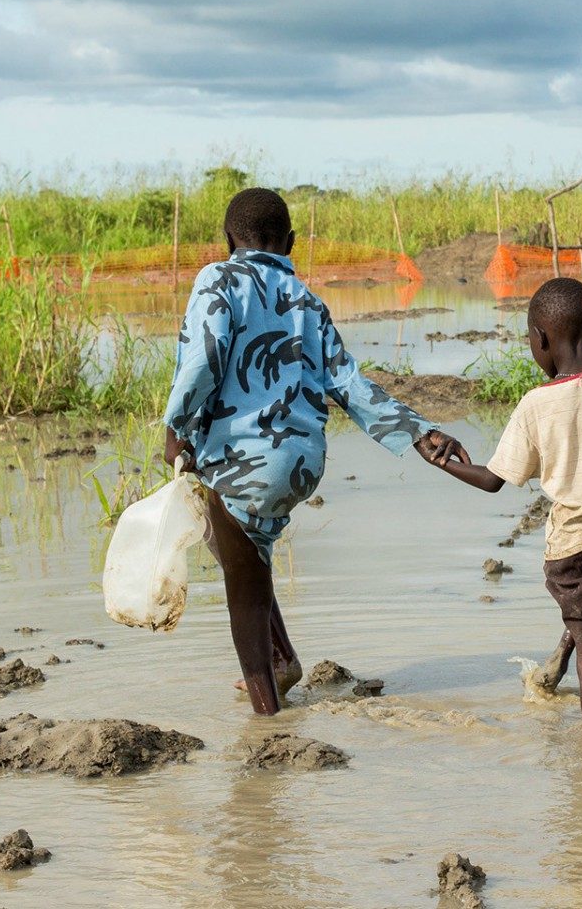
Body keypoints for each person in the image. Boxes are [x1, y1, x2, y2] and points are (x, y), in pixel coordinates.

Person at [163, 187, 459, 715]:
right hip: (302, 462)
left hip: (245, 460)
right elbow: (349, 383)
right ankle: (283, 660)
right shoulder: (307, 301)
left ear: (228, 239)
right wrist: (418, 432)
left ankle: (266, 712)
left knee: (242, 587)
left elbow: (205, 358)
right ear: (291, 243)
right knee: (243, 552)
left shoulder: (218, 278)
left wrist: (175, 425)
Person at [426, 277, 582, 722]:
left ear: (539, 339)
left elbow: (492, 480)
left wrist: (441, 463)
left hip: (574, 551)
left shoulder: (535, 406)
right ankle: (559, 660)